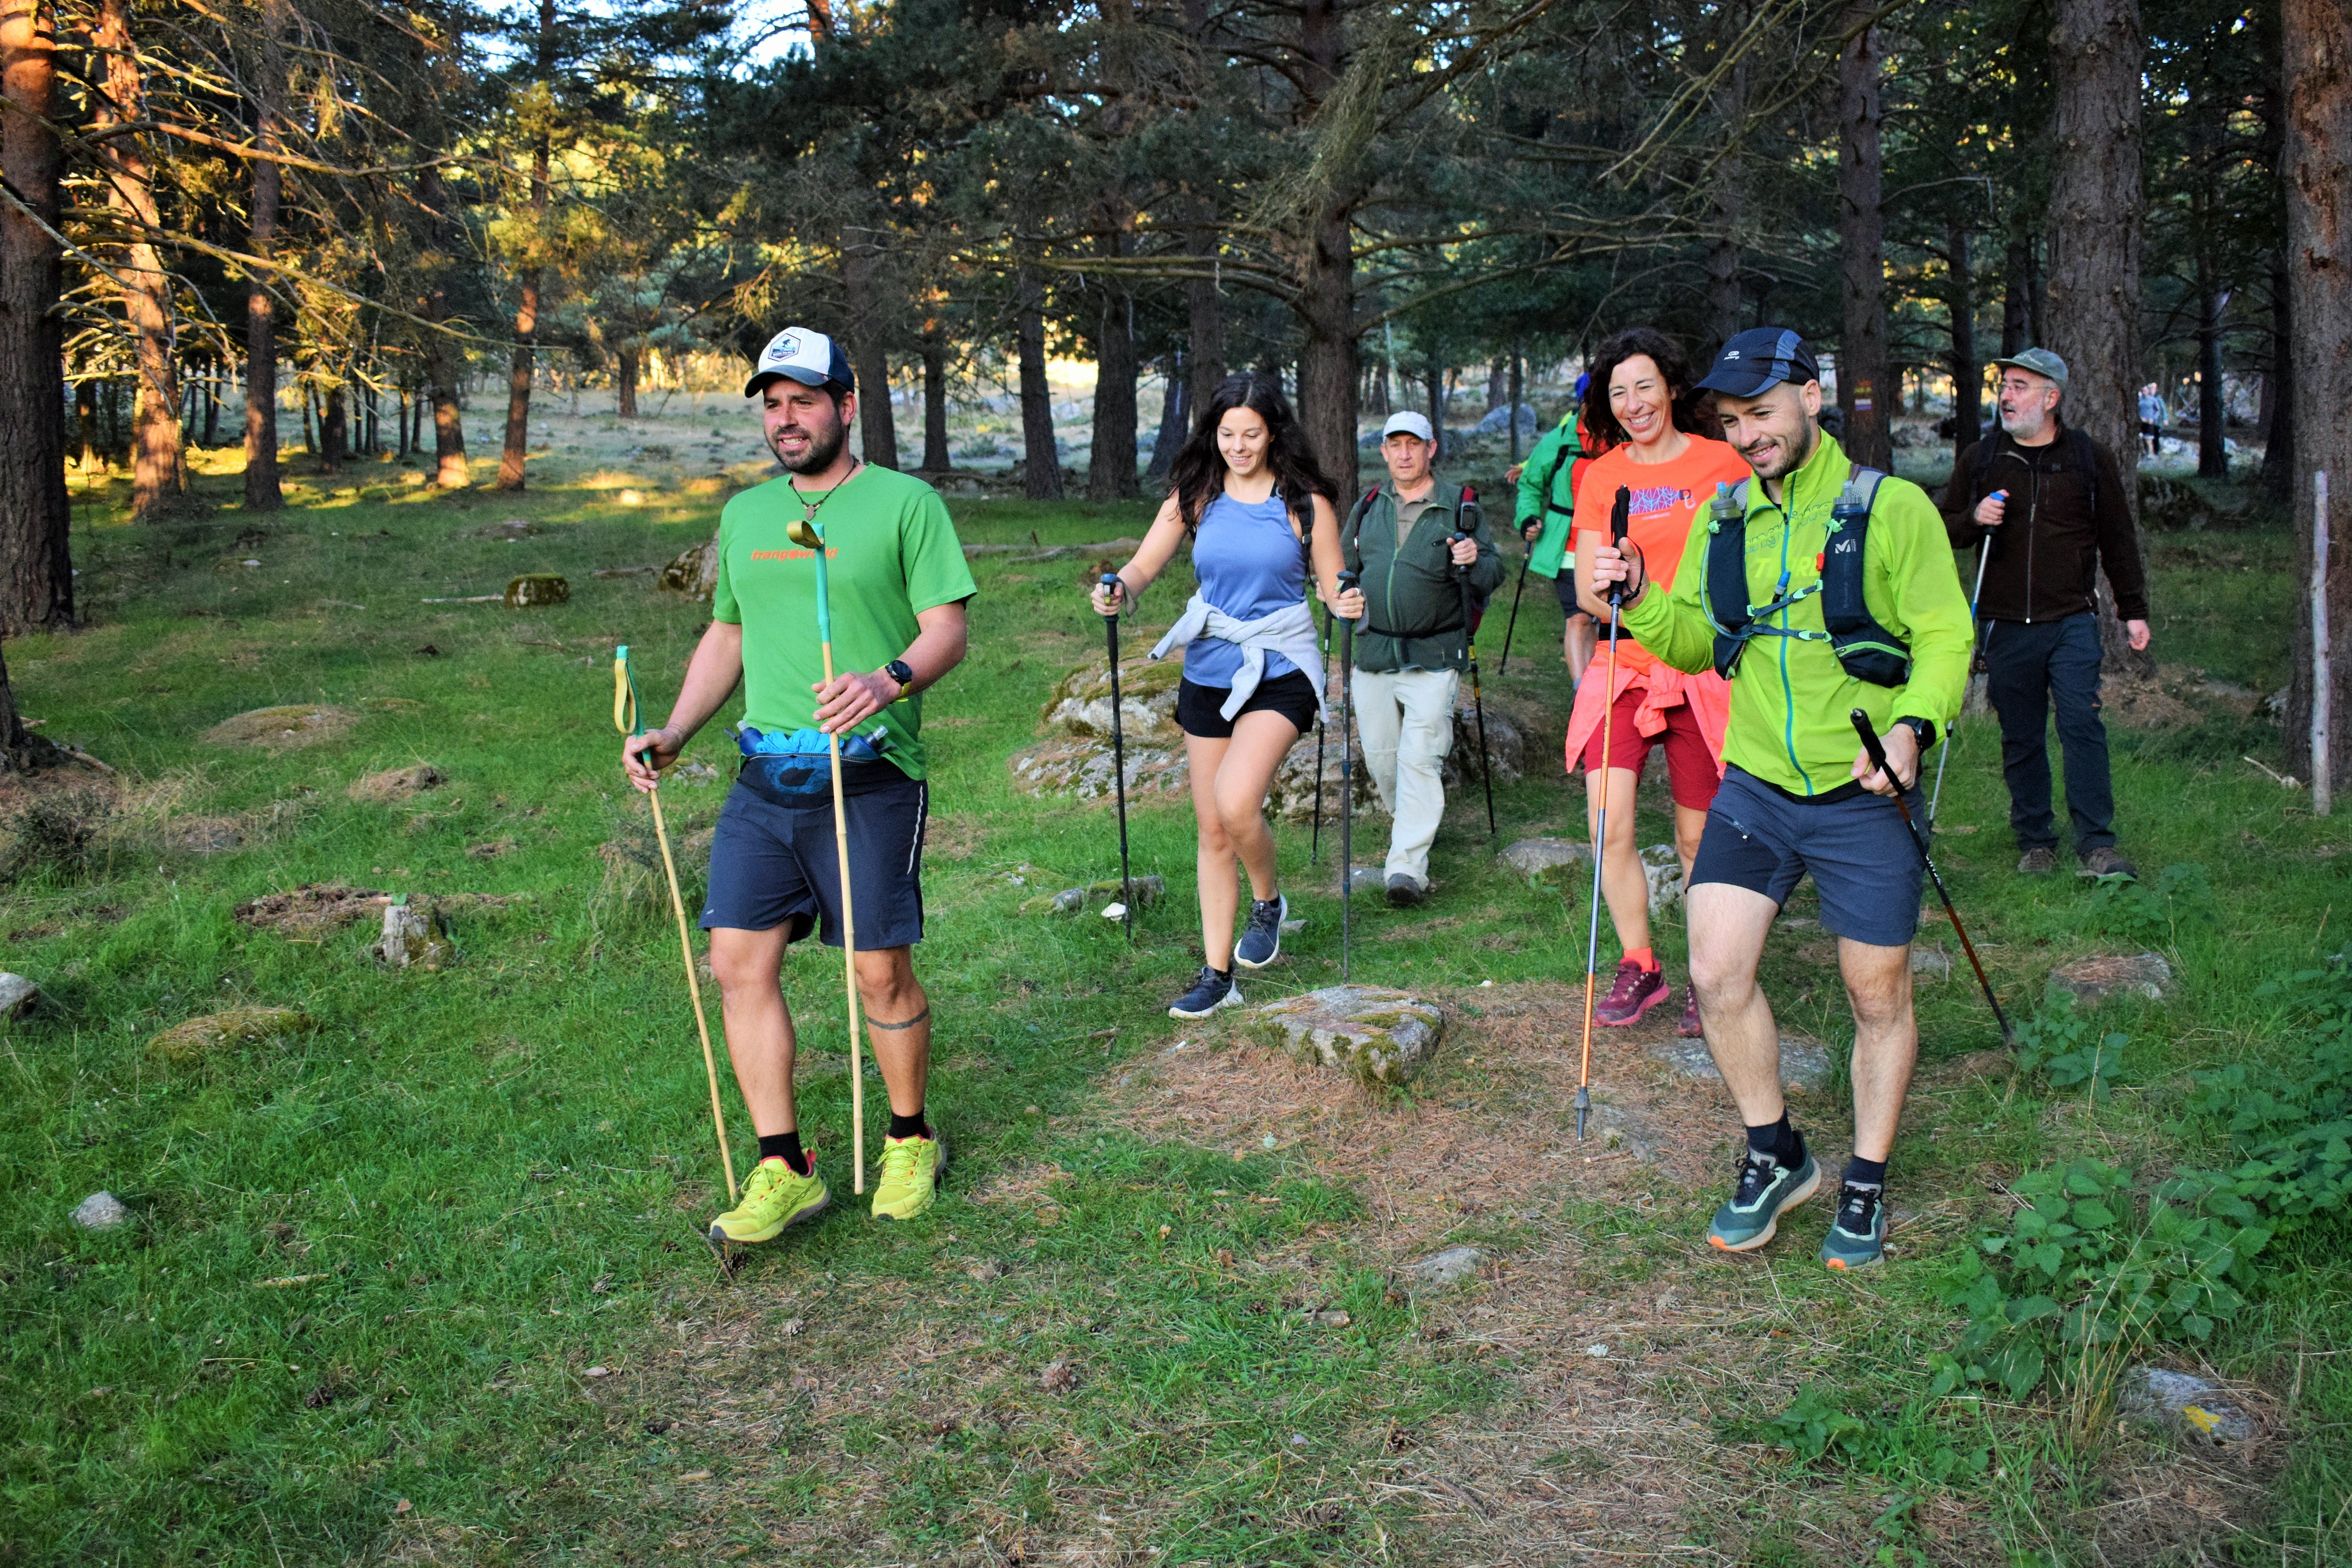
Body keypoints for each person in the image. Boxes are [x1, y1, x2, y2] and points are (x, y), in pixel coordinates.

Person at [1588, 327, 1972, 1272]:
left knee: (1873, 990)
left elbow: (1946, 635)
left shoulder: (1891, 509)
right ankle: (1777, 1151)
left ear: (1811, 392)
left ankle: (1867, 1174)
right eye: (1732, 420)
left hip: (1861, 789)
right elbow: (1695, 642)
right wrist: (1637, 596)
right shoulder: (1730, 518)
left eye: (1762, 412)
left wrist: (1911, 729)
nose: (1749, 434)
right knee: (1716, 976)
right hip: (1756, 781)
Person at [624, 326, 976, 1244]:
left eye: (804, 400)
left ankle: (909, 1137)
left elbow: (947, 628)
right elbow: (728, 636)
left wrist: (883, 681)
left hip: (870, 778)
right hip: (765, 780)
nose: (786, 419)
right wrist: (673, 729)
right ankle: (784, 1166)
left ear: (846, 407)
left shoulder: (906, 503)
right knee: (738, 965)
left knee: (878, 970)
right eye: (772, 403)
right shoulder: (746, 517)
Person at [1091, 372, 1348, 1020]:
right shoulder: (1197, 493)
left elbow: (1332, 582)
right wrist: (1118, 587)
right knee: (1212, 829)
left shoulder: (1305, 502)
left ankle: (1268, 902)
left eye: (1251, 434)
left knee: (1237, 803)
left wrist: (1345, 598)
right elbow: (1146, 564)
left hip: (1281, 664)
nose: (1237, 446)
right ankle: (1218, 973)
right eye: (1227, 433)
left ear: (1273, 433)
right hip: (1209, 667)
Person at [1568, 328, 1751, 1037]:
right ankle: (1639, 963)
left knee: (1698, 839)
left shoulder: (1724, 463)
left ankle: (1714, 973)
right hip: (1624, 665)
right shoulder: (1602, 475)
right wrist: (1613, 587)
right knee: (1605, 824)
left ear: (1672, 388)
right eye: (1619, 392)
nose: (1634, 402)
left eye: (1644, 386)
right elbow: (1587, 588)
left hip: (1700, 665)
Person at [1939, 348, 2150, 880]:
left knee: (2082, 724)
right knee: (2022, 735)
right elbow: (1942, 528)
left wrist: (2134, 610)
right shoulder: (1982, 459)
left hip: (2072, 619)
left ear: (2051, 398)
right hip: (2005, 624)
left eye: (2019, 387)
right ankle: (2036, 841)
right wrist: (1974, 517)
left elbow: (2118, 537)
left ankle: (2097, 845)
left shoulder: (2087, 458)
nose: (2006, 397)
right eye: (2004, 386)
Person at [1342, 410, 1502, 906]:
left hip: (1436, 651)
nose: (1405, 453)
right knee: (1382, 757)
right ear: (1385, 451)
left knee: (1420, 755)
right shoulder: (1368, 506)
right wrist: (1341, 593)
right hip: (1373, 650)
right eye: (1396, 445)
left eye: (1415, 444)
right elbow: (1345, 569)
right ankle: (1412, 825)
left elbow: (1495, 572)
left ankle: (1407, 868)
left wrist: (1476, 560)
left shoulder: (1460, 506)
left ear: (1432, 448)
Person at [1512, 380, 1601, 683]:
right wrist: (1528, 517)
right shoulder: (1559, 442)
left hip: (1611, 543)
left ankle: (1599, 691)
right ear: (1582, 402)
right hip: (1568, 545)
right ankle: (1582, 692)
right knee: (1578, 618)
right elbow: (1530, 484)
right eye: (1593, 399)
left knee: (1601, 620)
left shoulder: (1622, 438)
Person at [2137, 383, 2166, 457]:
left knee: (2149, 439)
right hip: (2141, 421)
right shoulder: (2139, 400)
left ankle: (2152, 454)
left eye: (2146, 391)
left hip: (2151, 422)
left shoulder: (2154, 400)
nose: (2145, 392)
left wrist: (2154, 418)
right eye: (2143, 391)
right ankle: (2143, 453)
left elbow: (2160, 410)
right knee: (2141, 438)